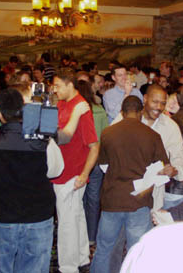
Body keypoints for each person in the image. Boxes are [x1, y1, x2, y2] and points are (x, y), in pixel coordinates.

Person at [90, 96, 175, 273]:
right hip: (139, 201)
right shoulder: (152, 135)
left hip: (112, 199)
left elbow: (103, 165)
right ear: (140, 112)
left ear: (122, 111)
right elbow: (163, 167)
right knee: (137, 251)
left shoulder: (107, 133)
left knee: (104, 249)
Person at [0, 88, 56, 273]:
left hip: (2, 215)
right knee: (34, 267)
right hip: (37, 214)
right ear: (23, 109)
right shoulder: (42, 141)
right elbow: (56, 170)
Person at [52, 69, 99, 273]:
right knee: (75, 216)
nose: (54, 90)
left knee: (67, 223)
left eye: (57, 86)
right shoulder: (62, 103)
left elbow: (94, 146)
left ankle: (68, 267)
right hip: (63, 172)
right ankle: (81, 258)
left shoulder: (82, 108)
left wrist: (84, 174)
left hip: (72, 174)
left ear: (70, 85)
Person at [76, 80, 108, 245]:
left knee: (78, 199)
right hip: (96, 160)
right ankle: (91, 236)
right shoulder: (99, 111)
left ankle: (78, 235)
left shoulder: (74, 111)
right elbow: (104, 136)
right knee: (94, 199)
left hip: (78, 159)